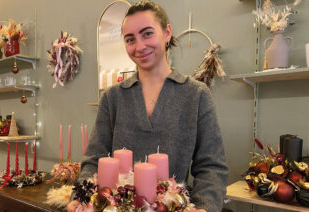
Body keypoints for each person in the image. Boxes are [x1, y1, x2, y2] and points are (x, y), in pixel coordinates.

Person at [68, 1, 228, 212]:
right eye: (130, 39)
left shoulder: (196, 95)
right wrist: (80, 198)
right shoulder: (113, 97)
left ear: (167, 33)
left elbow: (211, 167)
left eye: (147, 34)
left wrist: (205, 207)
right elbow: (94, 160)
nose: (140, 46)